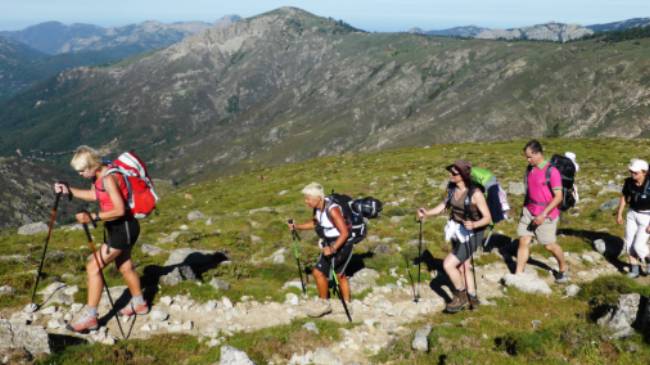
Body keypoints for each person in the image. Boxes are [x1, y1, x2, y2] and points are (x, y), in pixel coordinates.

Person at [54, 145, 148, 333]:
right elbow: (94, 194)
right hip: (121, 227)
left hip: (123, 228)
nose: (80, 174)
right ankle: (139, 304)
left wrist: (93, 217)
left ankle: (90, 317)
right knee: (125, 266)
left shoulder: (108, 178)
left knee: (93, 266)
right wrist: (68, 191)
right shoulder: (101, 172)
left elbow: (120, 210)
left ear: (91, 166)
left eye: (82, 170)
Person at [417, 160, 492, 313]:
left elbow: (487, 218)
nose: (450, 175)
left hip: (472, 233)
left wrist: (474, 225)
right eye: (450, 172)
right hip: (457, 230)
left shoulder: (475, 193)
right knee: (463, 266)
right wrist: (427, 213)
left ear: (463, 175)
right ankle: (472, 297)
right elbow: (444, 205)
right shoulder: (452, 189)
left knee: (448, 265)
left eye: (453, 173)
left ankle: (460, 295)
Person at [288, 182, 352, 318]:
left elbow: (345, 233)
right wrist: (297, 226)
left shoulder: (332, 210)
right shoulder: (318, 209)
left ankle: (345, 303)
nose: (306, 202)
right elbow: (315, 223)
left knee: (339, 275)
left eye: (308, 198)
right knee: (319, 272)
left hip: (342, 244)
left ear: (318, 198)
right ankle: (324, 302)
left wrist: (333, 248)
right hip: (330, 243)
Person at [516, 140, 568, 283]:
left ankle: (563, 267)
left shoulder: (552, 171)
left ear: (538, 153)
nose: (527, 159)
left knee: (549, 245)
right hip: (529, 210)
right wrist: (524, 208)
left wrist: (542, 215)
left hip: (546, 214)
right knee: (524, 240)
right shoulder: (530, 169)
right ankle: (518, 274)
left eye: (529, 157)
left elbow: (558, 197)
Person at [617, 158, 650, 278]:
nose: (632, 174)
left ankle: (647, 261)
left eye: (635, 172)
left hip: (647, 217)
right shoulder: (629, 182)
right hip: (632, 214)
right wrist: (619, 213)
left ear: (644, 172)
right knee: (629, 243)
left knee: (639, 246)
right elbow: (624, 197)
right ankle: (634, 270)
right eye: (631, 171)